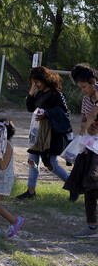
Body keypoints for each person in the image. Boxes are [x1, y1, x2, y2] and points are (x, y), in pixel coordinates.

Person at [16, 66, 76, 201]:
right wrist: (30, 95)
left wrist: (47, 113)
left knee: (51, 164)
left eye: (36, 82)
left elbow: (66, 113)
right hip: (37, 134)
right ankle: (30, 192)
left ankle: (73, 187)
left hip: (51, 135)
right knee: (32, 161)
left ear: (44, 79)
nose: (35, 85)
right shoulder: (40, 93)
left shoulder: (56, 94)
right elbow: (31, 108)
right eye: (33, 82)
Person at [64, 120, 98, 238]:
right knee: (90, 189)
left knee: (92, 186)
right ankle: (92, 227)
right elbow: (85, 118)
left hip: (95, 152)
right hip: (91, 148)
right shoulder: (89, 102)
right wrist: (88, 125)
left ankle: (92, 227)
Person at [70, 64, 98, 135]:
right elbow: (83, 120)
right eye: (81, 88)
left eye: (84, 87)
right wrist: (86, 127)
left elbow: (93, 115)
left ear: (93, 82)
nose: (83, 91)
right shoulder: (86, 99)